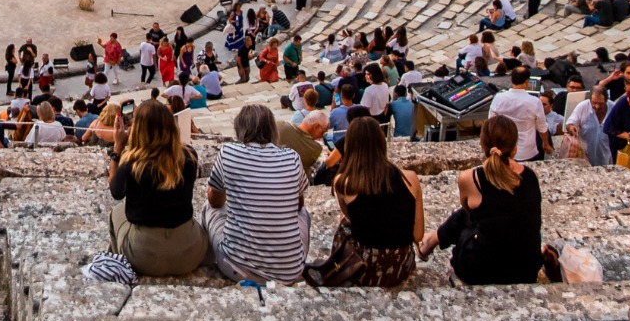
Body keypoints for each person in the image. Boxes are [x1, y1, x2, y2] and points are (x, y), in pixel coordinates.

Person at [421, 114, 542, 284]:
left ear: (481, 144)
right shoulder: (530, 176)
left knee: (468, 214)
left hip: (481, 270)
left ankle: (432, 240)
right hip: (526, 270)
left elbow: (468, 212)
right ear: (515, 148)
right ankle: (433, 239)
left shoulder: (471, 178)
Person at [310, 113, 424, 288]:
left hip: (364, 268)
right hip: (401, 266)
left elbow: (348, 217)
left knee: (344, 224)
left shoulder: (343, 183)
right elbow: (418, 235)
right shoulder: (411, 178)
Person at [206, 102, 309, 284]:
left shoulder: (228, 153)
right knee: (304, 214)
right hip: (290, 271)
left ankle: (206, 265)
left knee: (209, 208)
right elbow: (298, 205)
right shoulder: (292, 157)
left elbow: (215, 201)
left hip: (238, 267)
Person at [106, 97, 206, 276]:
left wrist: (118, 148)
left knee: (116, 212)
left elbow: (115, 190)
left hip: (145, 257)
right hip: (189, 253)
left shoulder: (132, 165)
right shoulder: (190, 156)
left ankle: (118, 266)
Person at [489, 64, 550, 164]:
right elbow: (542, 127)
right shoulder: (534, 102)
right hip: (527, 151)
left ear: (511, 79)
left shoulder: (498, 98)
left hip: (505, 149)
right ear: (527, 82)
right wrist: (546, 144)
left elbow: (491, 124)